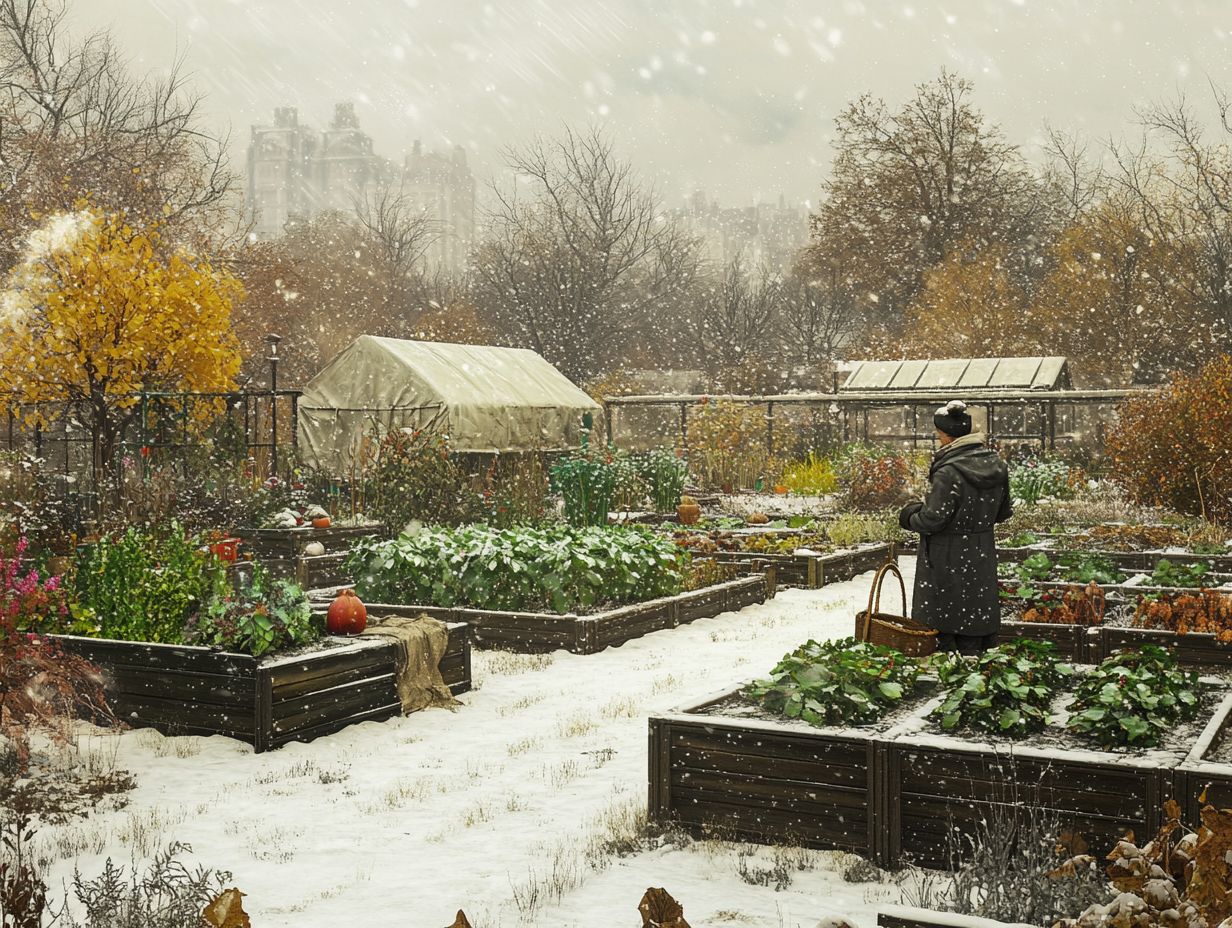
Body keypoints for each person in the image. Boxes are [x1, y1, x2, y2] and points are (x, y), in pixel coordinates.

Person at [897, 400, 1012, 656]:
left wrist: (909, 516)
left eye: (939, 433)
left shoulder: (949, 471)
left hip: (946, 555)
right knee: (974, 612)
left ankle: (947, 670)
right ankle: (973, 667)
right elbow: (1003, 512)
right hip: (981, 552)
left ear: (945, 434)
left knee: (945, 618)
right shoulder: (996, 465)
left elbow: (933, 519)